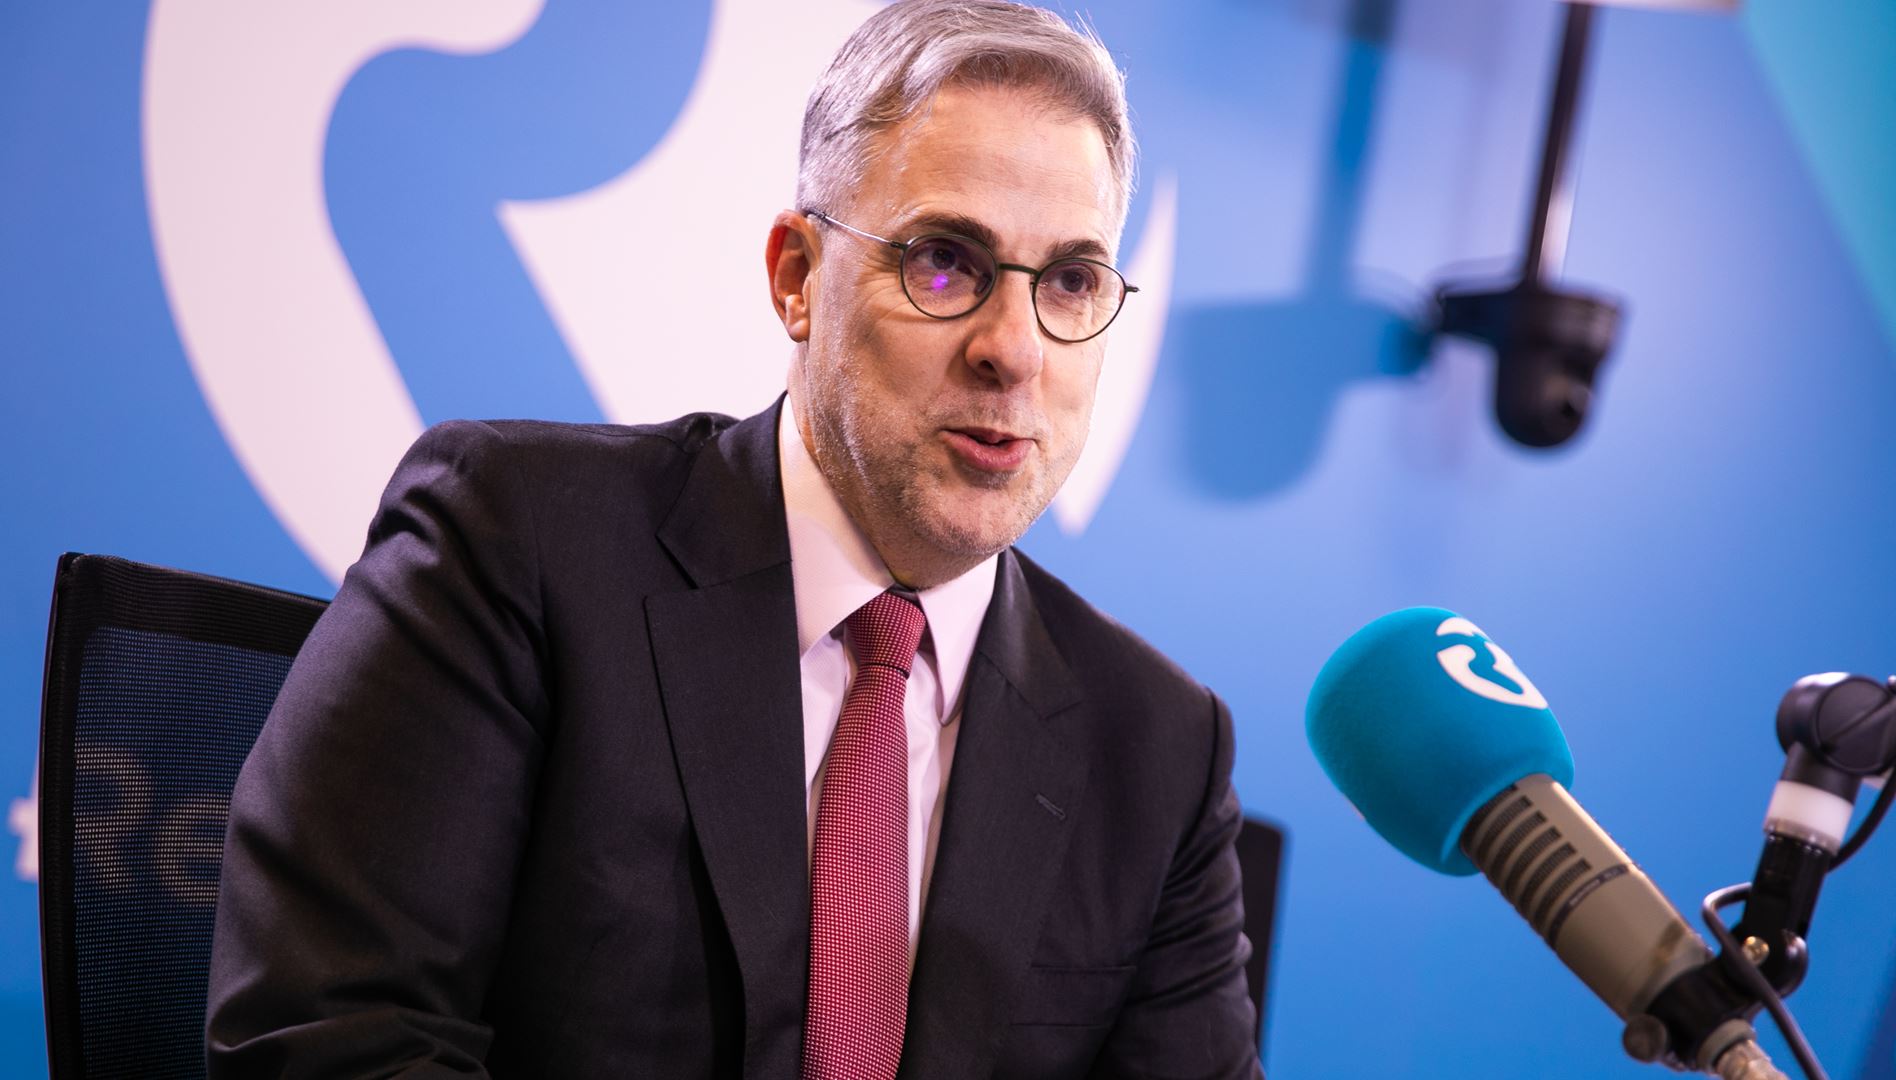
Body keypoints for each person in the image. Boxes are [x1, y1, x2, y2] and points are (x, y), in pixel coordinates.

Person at [207, 1, 1261, 1076]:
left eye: (1072, 282)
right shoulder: (516, 541)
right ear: (798, 277)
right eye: (945, 262)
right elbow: (336, 1036)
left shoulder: (1161, 751)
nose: (1015, 351)